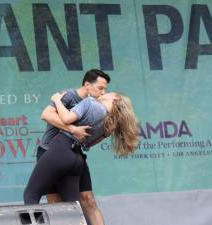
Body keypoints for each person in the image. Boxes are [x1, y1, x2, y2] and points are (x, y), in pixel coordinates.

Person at [24, 92, 139, 216]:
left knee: (30, 195)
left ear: (115, 97)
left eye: (108, 91)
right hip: (77, 159)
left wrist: (57, 100)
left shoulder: (90, 103)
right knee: (74, 209)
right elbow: (88, 143)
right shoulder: (110, 121)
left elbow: (67, 118)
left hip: (61, 150)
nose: (103, 92)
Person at [36, 69, 110, 225]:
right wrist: (72, 129)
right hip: (49, 153)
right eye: (100, 88)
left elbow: (87, 141)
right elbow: (46, 115)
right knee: (55, 203)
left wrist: (104, 134)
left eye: (105, 89)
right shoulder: (68, 96)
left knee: (88, 200)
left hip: (75, 154)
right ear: (87, 84)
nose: (103, 93)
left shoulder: (96, 106)